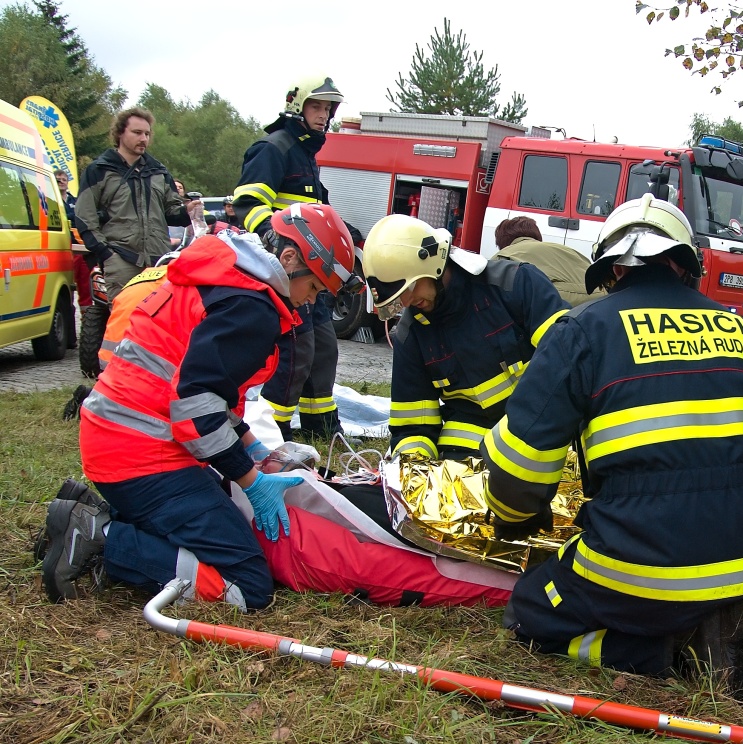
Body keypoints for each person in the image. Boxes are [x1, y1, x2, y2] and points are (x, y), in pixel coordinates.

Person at [479, 195, 743, 702]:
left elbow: (519, 472)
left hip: (639, 564)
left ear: (610, 269)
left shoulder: (583, 331)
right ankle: (737, 633)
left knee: (530, 609)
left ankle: (677, 651)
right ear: (687, 267)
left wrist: (511, 521)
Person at [42, 205, 358, 609]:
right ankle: (100, 537)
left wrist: (253, 447)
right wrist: (251, 481)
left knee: (213, 517)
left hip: (120, 439)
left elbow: (203, 387)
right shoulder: (251, 306)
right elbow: (194, 406)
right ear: (290, 258)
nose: (308, 303)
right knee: (248, 586)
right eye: (313, 288)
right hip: (143, 455)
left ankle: (91, 514)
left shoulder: (225, 276)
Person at [361, 214, 569, 459]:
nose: (406, 302)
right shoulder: (412, 334)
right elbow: (413, 425)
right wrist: (414, 467)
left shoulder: (514, 284)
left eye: (410, 288)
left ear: (432, 264)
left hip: (542, 427)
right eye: (399, 296)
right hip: (468, 449)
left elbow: (566, 359)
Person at [233, 76, 349, 441]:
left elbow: (317, 217)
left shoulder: (306, 155)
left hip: (310, 272)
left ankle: (321, 426)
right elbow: (248, 205)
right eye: (317, 107)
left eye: (328, 109)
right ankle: (274, 429)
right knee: (295, 351)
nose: (324, 115)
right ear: (297, 106)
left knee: (324, 348)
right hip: (287, 271)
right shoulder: (273, 148)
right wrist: (274, 240)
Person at [73, 107, 200, 298]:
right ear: (120, 133)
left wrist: (187, 211)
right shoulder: (99, 170)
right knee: (124, 323)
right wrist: (106, 254)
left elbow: (171, 213)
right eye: (137, 132)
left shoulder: (159, 171)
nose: (144, 139)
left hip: (158, 261)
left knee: (159, 322)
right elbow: (84, 216)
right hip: (121, 259)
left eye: (147, 134)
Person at [494, 216, 591, 306]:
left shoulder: (504, 256)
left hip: (564, 308)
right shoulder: (568, 250)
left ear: (502, 244)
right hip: (600, 301)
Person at [56, 169, 91, 310]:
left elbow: (82, 218)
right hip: (60, 250)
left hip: (79, 250)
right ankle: (67, 322)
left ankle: (87, 324)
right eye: (58, 180)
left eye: (64, 180)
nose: (61, 182)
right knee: (64, 287)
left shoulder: (75, 201)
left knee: (85, 287)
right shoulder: (48, 200)